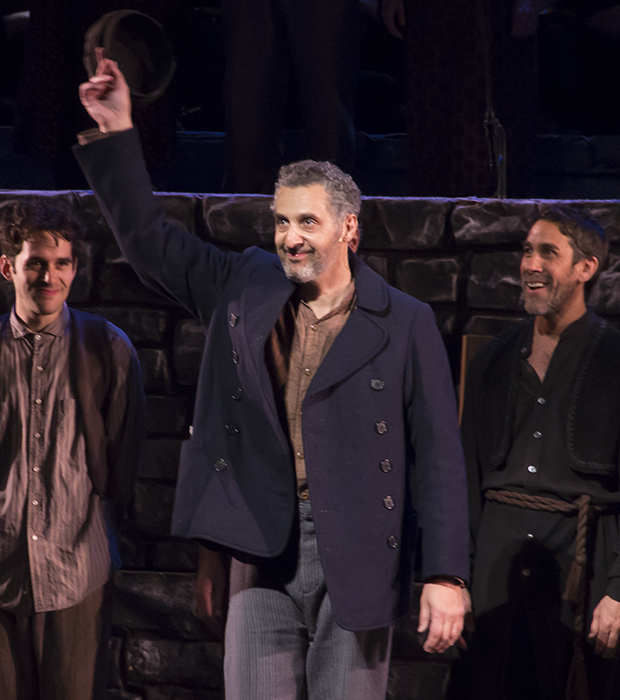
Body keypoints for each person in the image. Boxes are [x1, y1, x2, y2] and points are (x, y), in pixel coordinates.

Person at [75, 54, 469, 700]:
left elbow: (439, 458)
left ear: (349, 228)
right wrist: (119, 130)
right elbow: (148, 244)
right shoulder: (244, 283)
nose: (289, 238)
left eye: (306, 222)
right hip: (263, 545)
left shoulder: (405, 321)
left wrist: (448, 574)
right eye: (281, 222)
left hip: (361, 547)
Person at [457, 205, 620, 699]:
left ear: (585, 268)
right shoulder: (493, 359)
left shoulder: (614, 358)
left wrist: (618, 586)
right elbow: (463, 476)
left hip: (584, 568)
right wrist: (452, 577)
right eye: (527, 251)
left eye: (548, 252)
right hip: (494, 573)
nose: (530, 264)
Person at [0, 197, 145, 700]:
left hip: (77, 574)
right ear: (7, 266)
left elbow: (124, 464)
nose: (49, 277)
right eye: (36, 262)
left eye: (62, 263)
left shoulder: (108, 349)